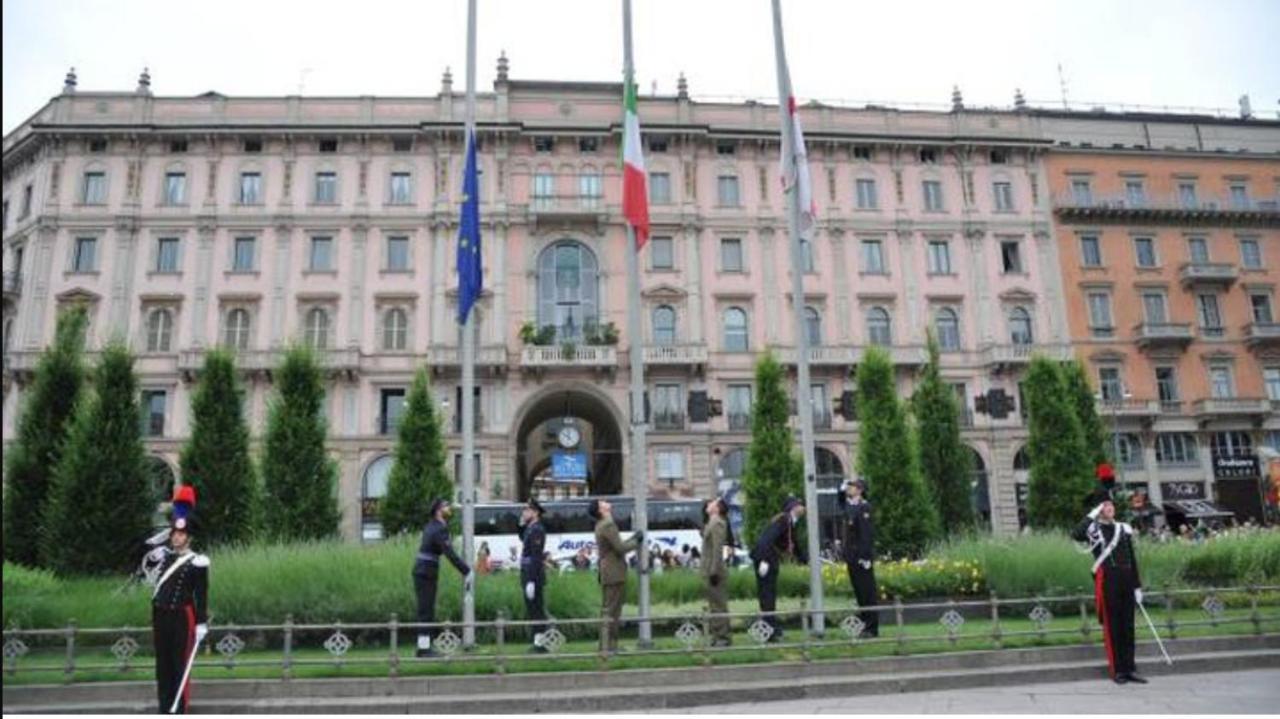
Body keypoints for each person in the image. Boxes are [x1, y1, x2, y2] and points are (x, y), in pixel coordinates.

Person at [1072, 487, 1146, 685]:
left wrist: (1137, 586)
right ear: (1098, 509)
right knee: (1113, 627)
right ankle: (1118, 671)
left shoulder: (1123, 529)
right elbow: (1076, 534)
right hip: (1108, 581)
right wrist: (1092, 515)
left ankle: (1130, 668)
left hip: (1126, 580)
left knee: (1128, 626)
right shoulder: (1093, 529)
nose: (1110, 507)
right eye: (1105, 505)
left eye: (1111, 504)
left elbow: (1132, 559)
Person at [151, 514, 209, 714]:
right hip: (161, 616)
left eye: (181, 534)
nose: (176, 537)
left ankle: (179, 709)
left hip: (182, 618)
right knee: (163, 665)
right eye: (174, 533)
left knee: (179, 664)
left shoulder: (197, 562)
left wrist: (201, 623)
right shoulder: (165, 558)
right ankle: (164, 708)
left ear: (189, 537)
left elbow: (201, 595)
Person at [412, 499, 472, 658]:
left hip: (423, 570)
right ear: (439, 510)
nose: (449, 508)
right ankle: (424, 649)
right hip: (426, 571)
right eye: (446, 507)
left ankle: (423, 646)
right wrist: (466, 570)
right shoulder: (439, 529)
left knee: (425, 610)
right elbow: (449, 553)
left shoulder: (431, 525)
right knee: (426, 611)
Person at [590, 498, 643, 654]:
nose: (606, 502)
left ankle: (608, 645)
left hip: (608, 571)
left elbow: (615, 545)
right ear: (601, 510)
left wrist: (632, 539)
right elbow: (620, 548)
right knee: (612, 611)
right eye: (602, 503)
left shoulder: (602, 524)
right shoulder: (608, 524)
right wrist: (636, 542)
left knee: (609, 609)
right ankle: (609, 646)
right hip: (614, 572)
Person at [750, 496, 807, 642]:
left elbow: (795, 544)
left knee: (769, 595)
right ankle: (769, 631)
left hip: (768, 558)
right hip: (766, 559)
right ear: (793, 507)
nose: (804, 508)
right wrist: (763, 560)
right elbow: (766, 539)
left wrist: (805, 559)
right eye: (801, 505)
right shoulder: (783, 520)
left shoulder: (789, 522)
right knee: (767, 595)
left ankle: (771, 627)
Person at [840, 478, 879, 638]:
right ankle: (864, 625)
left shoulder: (864, 508)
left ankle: (871, 628)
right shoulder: (852, 506)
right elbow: (842, 503)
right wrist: (840, 490)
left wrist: (865, 556)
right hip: (852, 557)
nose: (850, 488)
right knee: (860, 593)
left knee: (867, 593)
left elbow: (866, 534)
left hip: (861, 558)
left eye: (853, 486)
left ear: (860, 489)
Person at [701, 496, 733, 647]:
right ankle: (717, 636)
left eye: (712, 503)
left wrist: (714, 571)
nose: (708, 504)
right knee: (714, 605)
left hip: (715, 572)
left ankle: (722, 637)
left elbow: (717, 550)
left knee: (718, 605)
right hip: (710, 570)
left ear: (717, 508)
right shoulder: (711, 523)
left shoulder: (717, 523)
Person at [520, 498, 550, 653]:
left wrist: (531, 580)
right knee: (532, 609)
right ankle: (536, 641)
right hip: (527, 574)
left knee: (537, 609)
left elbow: (536, 557)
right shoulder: (530, 528)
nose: (524, 512)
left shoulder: (537, 529)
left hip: (534, 576)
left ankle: (540, 643)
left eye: (527, 510)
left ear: (535, 513)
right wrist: (521, 523)